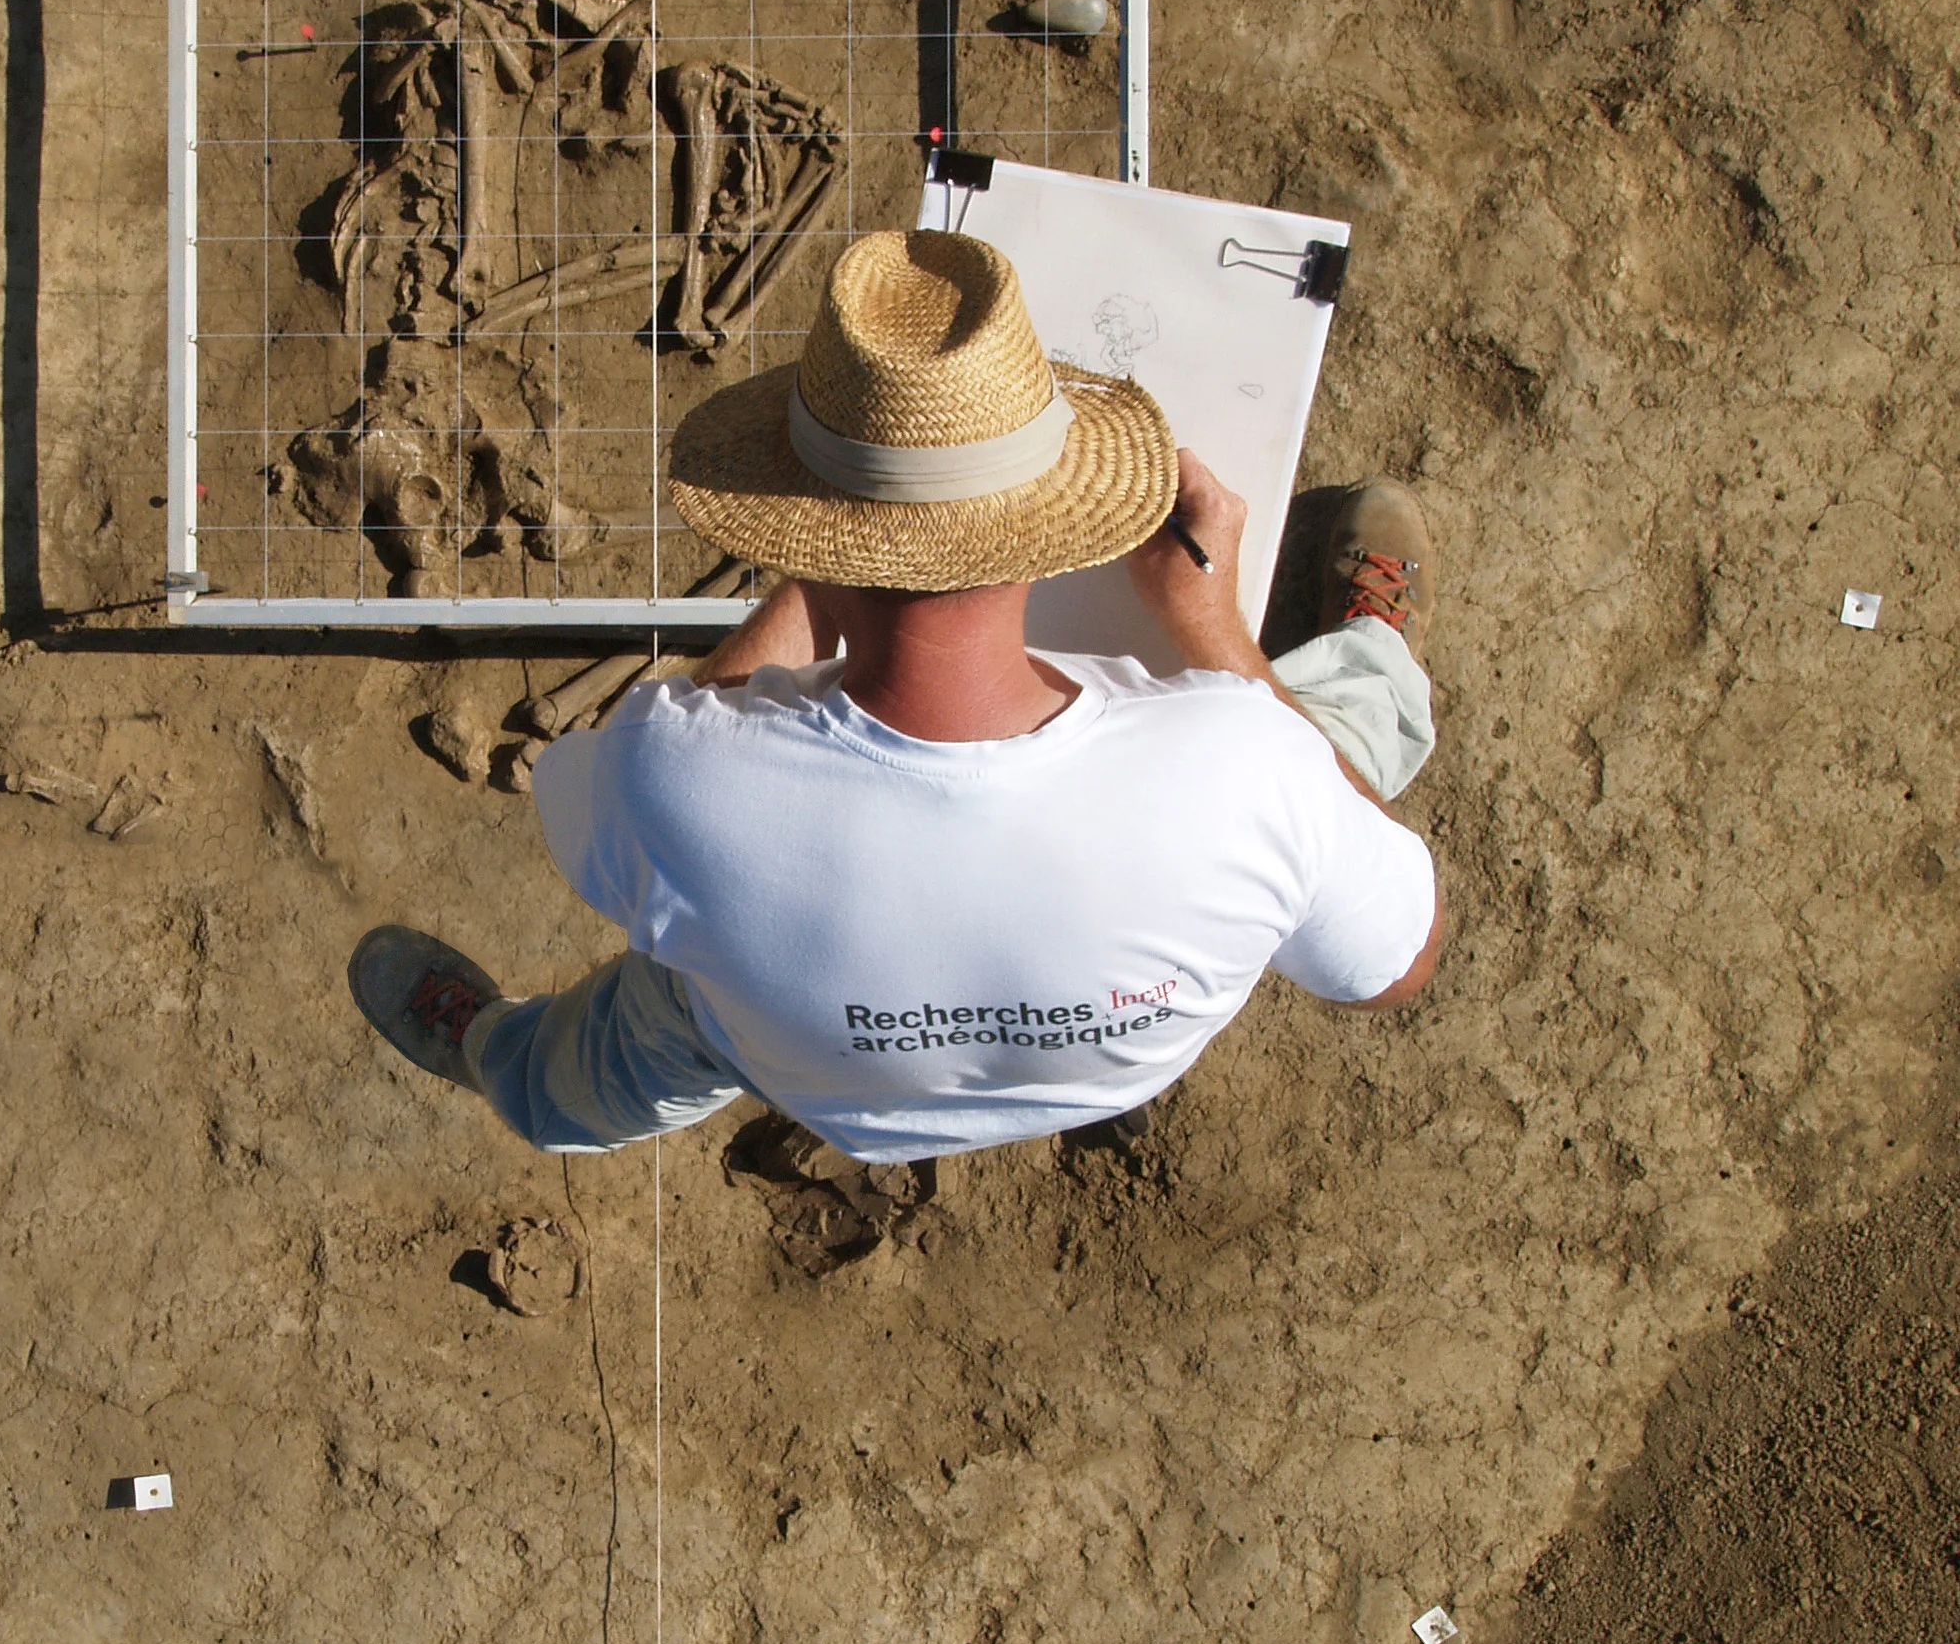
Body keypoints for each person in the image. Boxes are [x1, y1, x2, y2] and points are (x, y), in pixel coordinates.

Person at [348, 229, 1441, 1163]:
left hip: (782, 1049)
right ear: (1061, 512)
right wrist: (1210, 631)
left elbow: (649, 780)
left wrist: (818, 566)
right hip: (1107, 1051)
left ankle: (497, 1057)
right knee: (1339, 747)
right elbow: (1397, 971)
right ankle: (1369, 645)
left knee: (603, 1057)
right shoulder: (1249, 767)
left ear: (796, 521)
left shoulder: (667, 774)